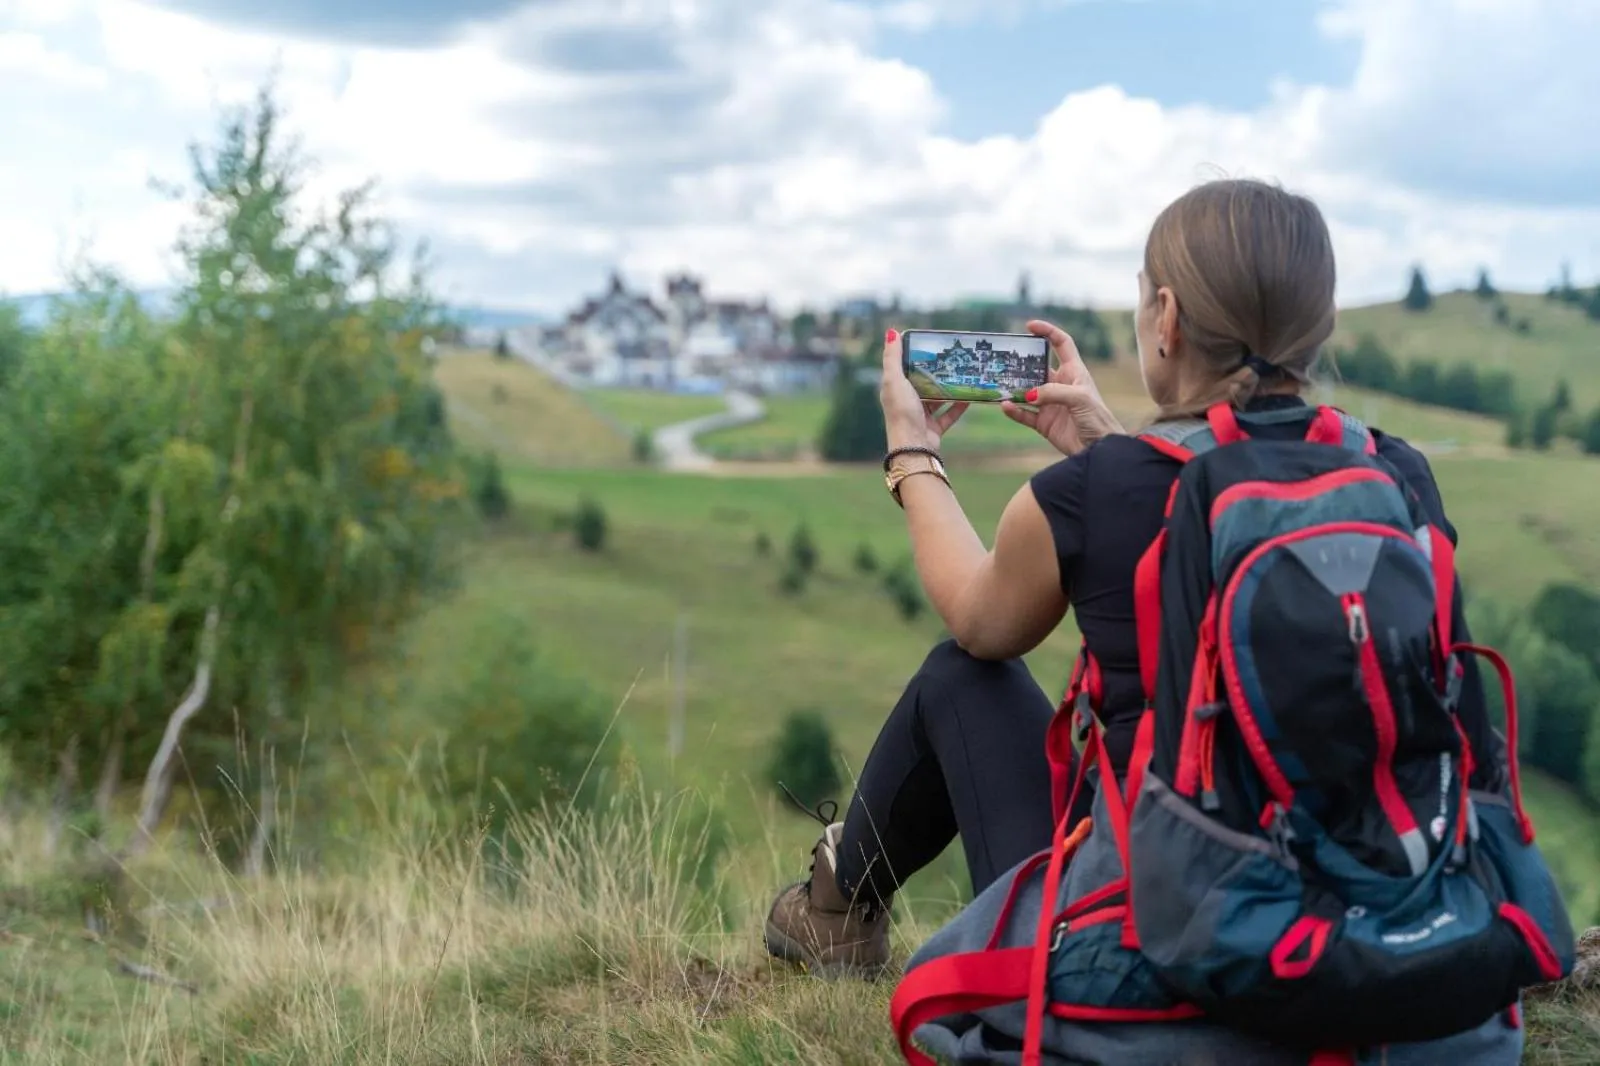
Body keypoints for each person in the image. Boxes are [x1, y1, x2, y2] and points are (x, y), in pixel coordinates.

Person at [761, 178, 1521, 1060]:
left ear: (1167, 318)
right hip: (1394, 917)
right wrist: (1113, 442)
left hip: (1164, 937)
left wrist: (911, 452)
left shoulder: (1096, 493)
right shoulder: (1396, 473)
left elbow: (980, 620)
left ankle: (835, 911)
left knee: (961, 676)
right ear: (1317, 326)